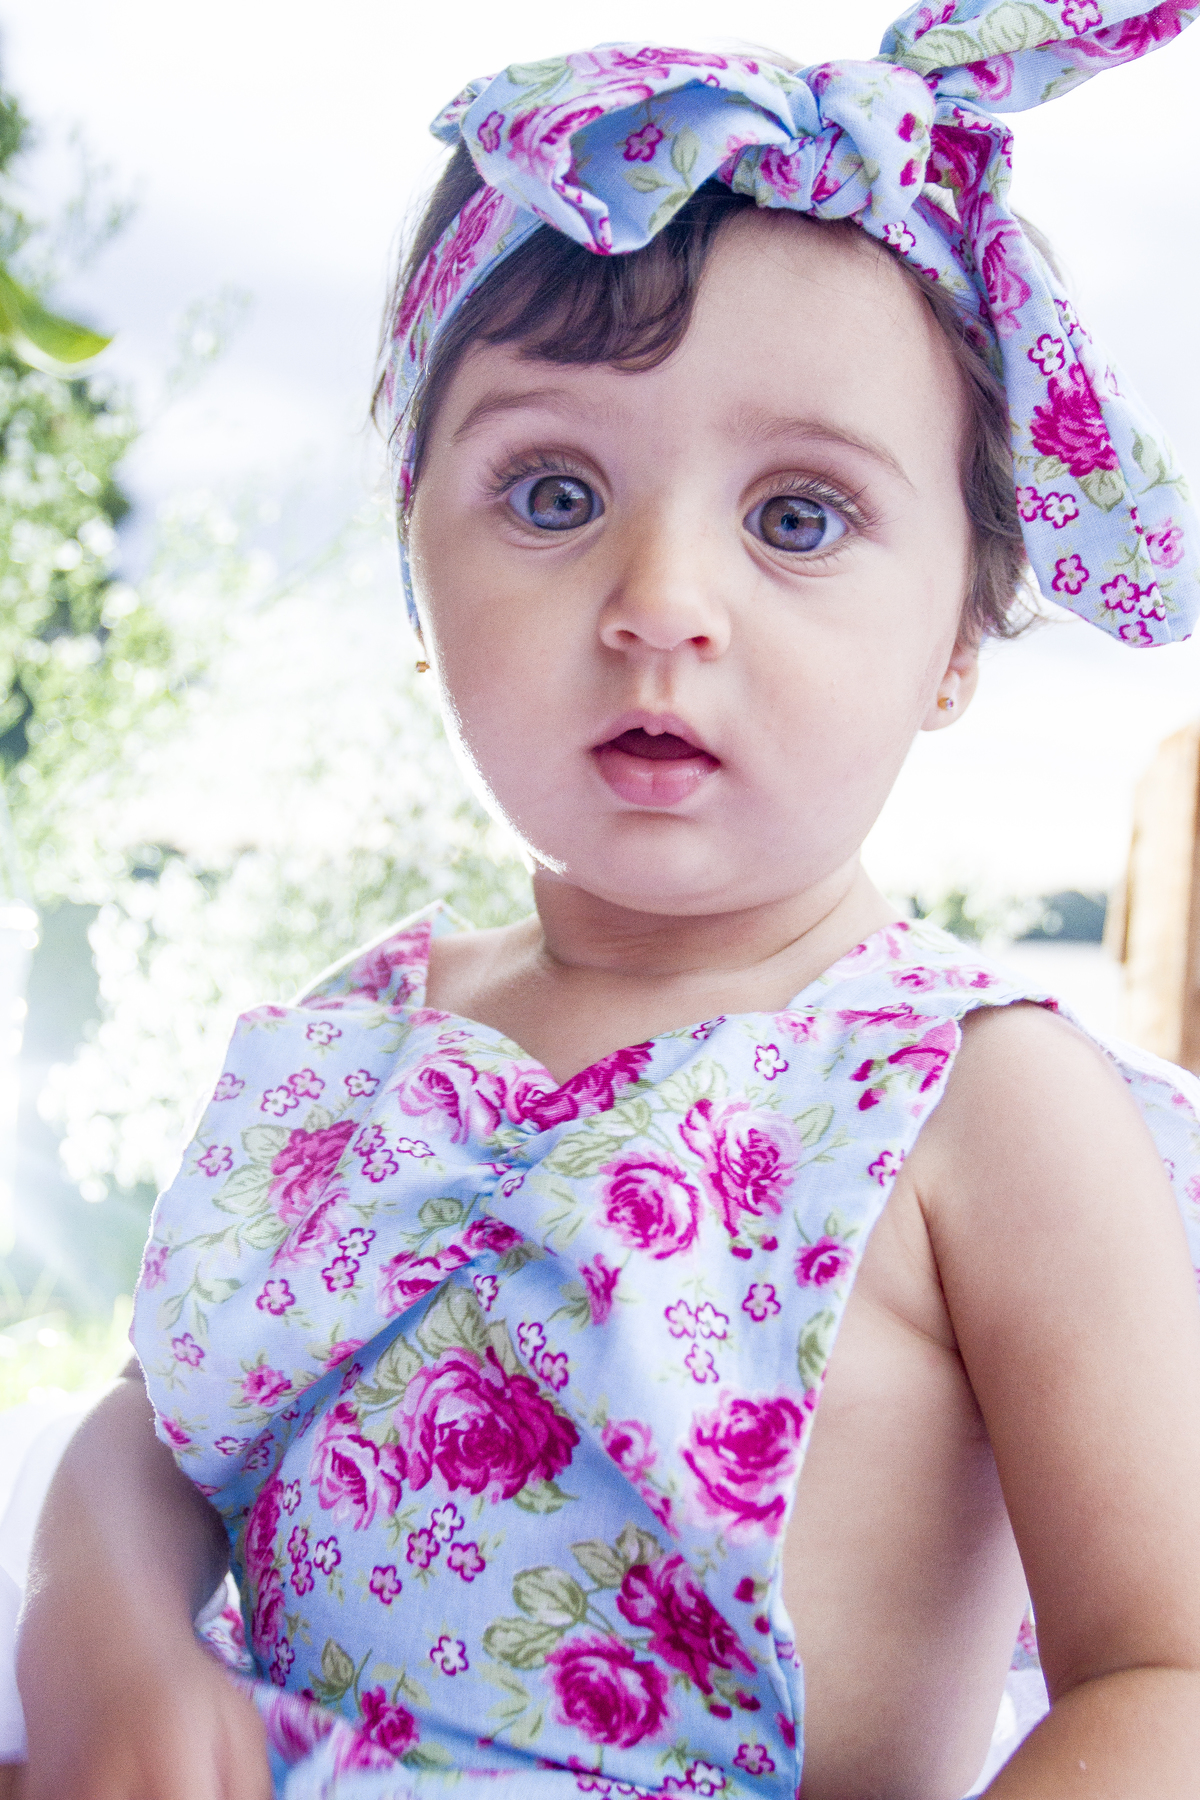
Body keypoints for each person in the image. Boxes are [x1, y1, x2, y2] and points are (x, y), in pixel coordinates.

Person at [9, 4, 1200, 1796]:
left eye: (797, 518)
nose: (660, 601)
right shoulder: (360, 1034)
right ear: (417, 575)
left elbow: (1166, 1670)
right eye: (556, 492)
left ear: (961, 634)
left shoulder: (982, 1102)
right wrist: (102, 1627)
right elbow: (162, 1427)